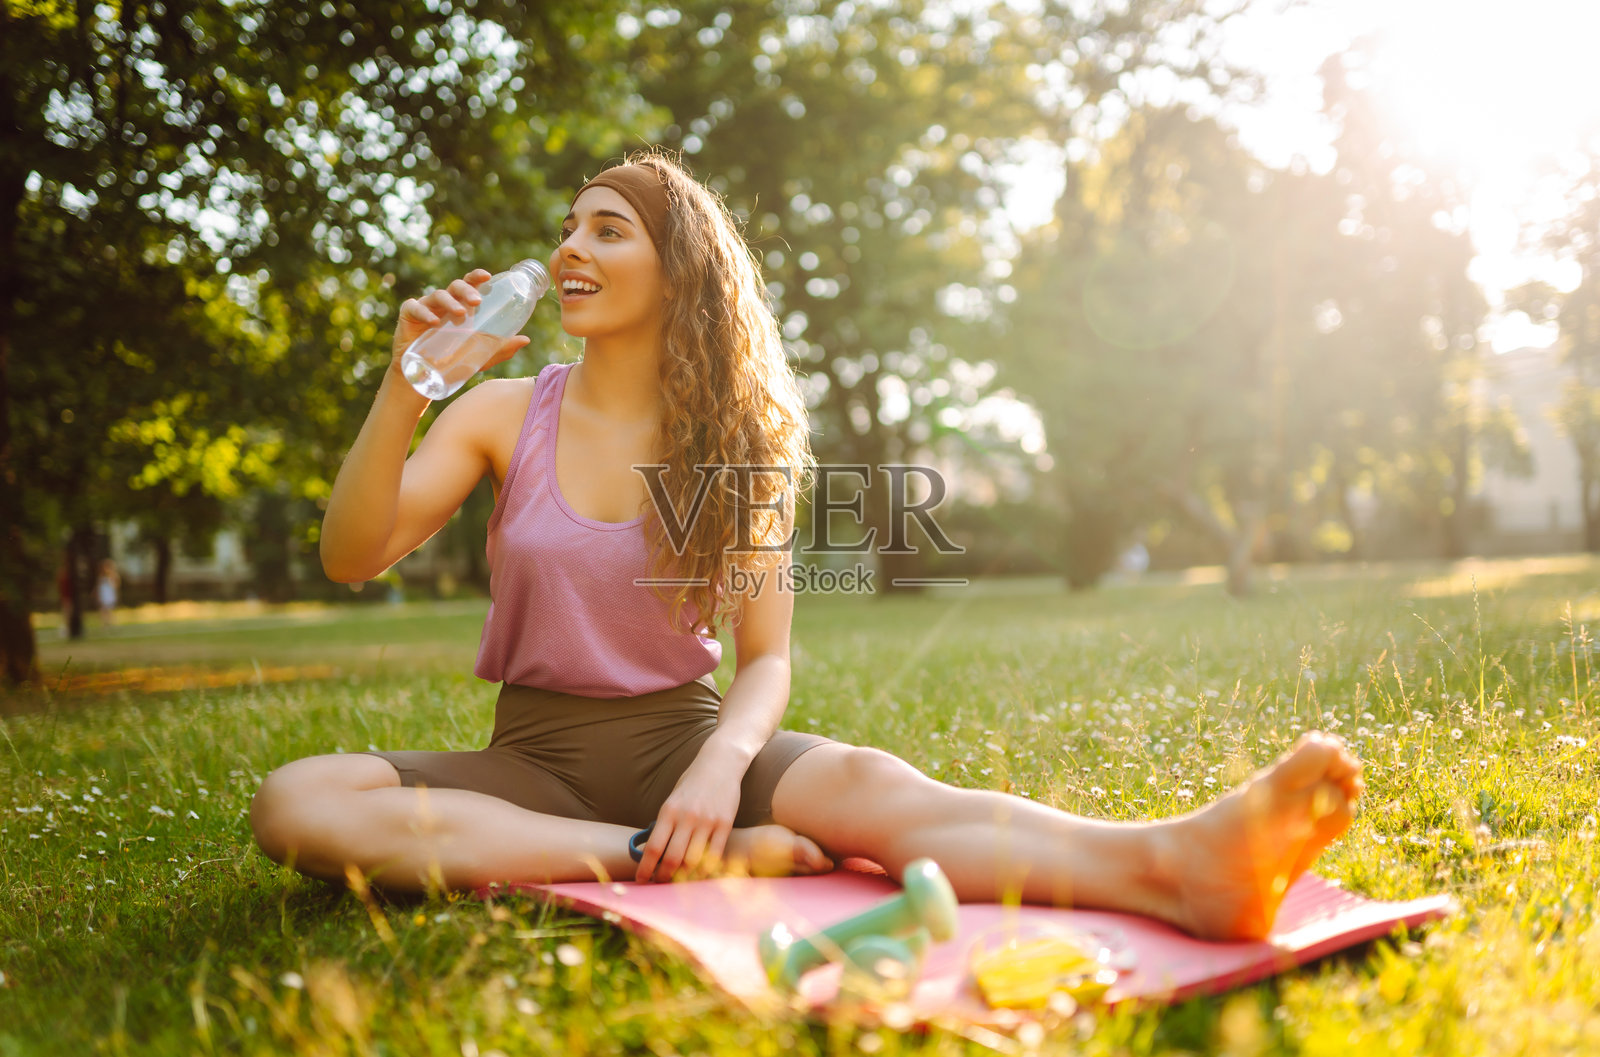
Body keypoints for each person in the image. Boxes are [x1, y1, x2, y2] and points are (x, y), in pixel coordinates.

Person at [249, 152, 1364, 941]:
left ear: (677, 272)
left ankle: (1175, 865)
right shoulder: (499, 411)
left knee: (873, 786)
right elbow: (355, 553)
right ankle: (657, 856)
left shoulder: (734, 446)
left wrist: (721, 766)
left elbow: (766, 657)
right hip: (527, 767)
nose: (567, 248)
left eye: (605, 226)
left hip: (683, 743)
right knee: (296, 800)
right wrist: (404, 389)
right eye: (569, 225)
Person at [96, 558, 120, 627]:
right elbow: (98, 587)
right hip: (103, 595)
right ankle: (105, 624)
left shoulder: (113, 576)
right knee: (103, 609)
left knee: (110, 610)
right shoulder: (101, 576)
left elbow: (116, 586)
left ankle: (111, 623)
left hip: (110, 595)